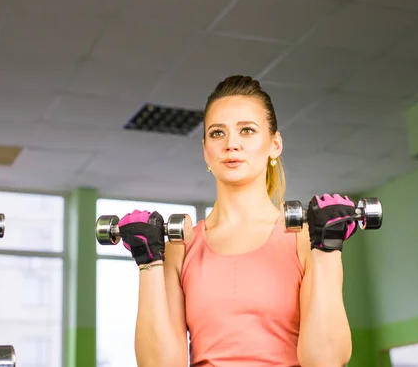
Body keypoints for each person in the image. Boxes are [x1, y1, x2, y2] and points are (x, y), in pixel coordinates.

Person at [119, 75, 358, 367]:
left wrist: (328, 249)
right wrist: (149, 262)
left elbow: (326, 361)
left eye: (247, 130)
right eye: (218, 133)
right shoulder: (181, 248)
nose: (231, 144)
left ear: (275, 145)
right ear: (205, 149)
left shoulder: (308, 241)